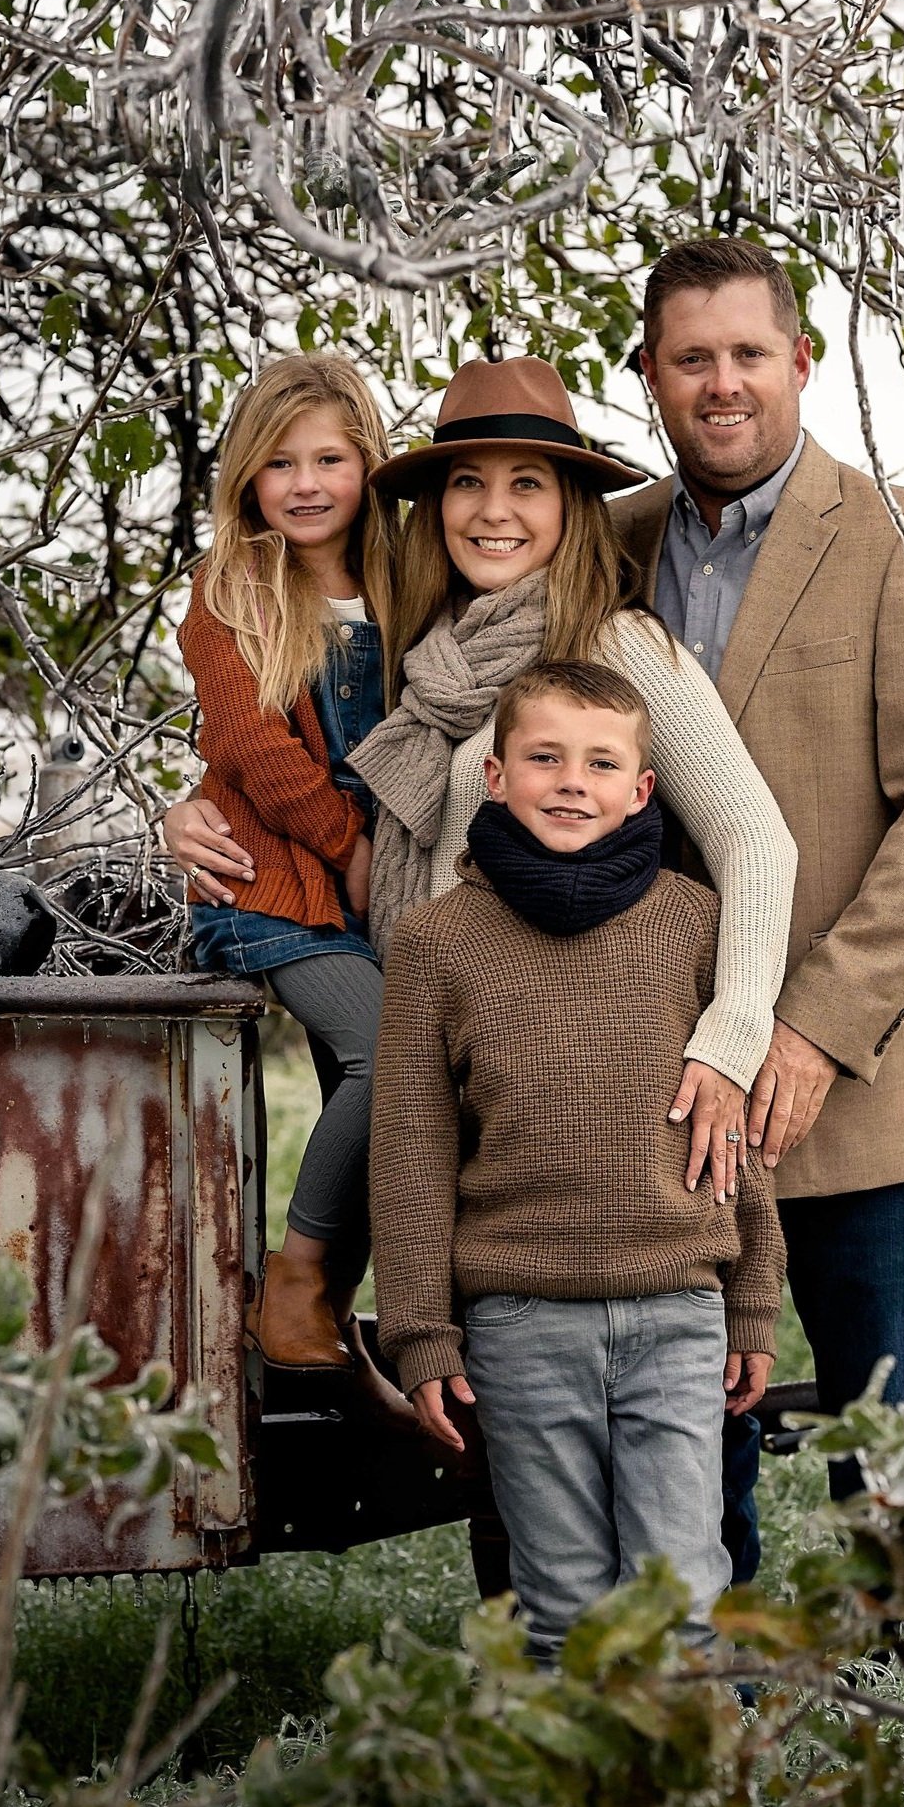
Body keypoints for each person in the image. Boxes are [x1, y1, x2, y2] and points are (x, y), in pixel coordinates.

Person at [613, 236, 904, 1563]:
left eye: (743, 354)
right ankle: (697, 1723)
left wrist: (809, 1032)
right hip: (668, 1096)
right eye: (688, 360)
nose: (719, 384)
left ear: (798, 359)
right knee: (678, 1467)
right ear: (651, 378)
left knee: (893, 1471)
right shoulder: (598, 550)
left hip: (859, 1092)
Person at [370, 658, 783, 1658]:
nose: (570, 780)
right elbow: (412, 1148)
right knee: (557, 1603)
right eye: (545, 756)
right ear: (495, 778)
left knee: (681, 1588)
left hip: (676, 1314)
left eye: (601, 762)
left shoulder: (695, 921)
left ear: (644, 789)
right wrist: (422, 1331)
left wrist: (754, 1299)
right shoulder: (437, 941)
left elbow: (735, 1129)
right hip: (522, 1322)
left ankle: (689, 1776)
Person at [346, 355, 796, 1199]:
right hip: (450, 1063)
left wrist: (730, 1039)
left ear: (570, 509)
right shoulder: (427, 662)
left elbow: (754, 841)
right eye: (466, 484)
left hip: (577, 1081)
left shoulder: (616, 645)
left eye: (527, 484)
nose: (493, 511)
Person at [166, 354, 404, 1405]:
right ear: (247, 479)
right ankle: (294, 1277)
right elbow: (251, 746)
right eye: (279, 463)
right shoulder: (232, 592)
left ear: (367, 464)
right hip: (268, 886)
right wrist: (350, 850)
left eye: (329, 459)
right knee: (387, 1051)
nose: (305, 484)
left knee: (388, 1081)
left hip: (379, 879)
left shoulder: (406, 577)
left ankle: (333, 1303)